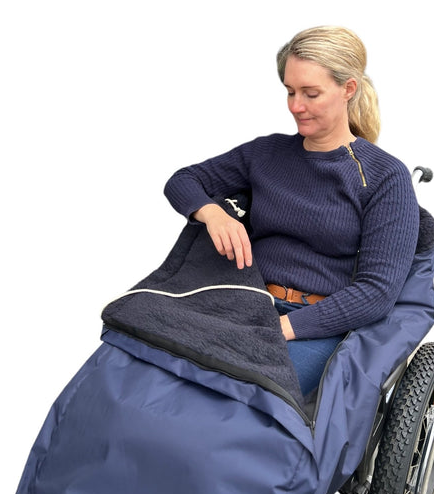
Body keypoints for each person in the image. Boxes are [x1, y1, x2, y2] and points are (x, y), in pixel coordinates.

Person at [164, 26, 419, 395]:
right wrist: (212, 212)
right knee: (161, 371)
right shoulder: (266, 153)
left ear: (348, 89)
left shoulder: (384, 177)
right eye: (290, 91)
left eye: (311, 94)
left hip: (314, 326)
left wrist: (284, 328)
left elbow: (376, 292)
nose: (296, 106)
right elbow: (183, 180)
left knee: (244, 396)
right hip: (243, 303)